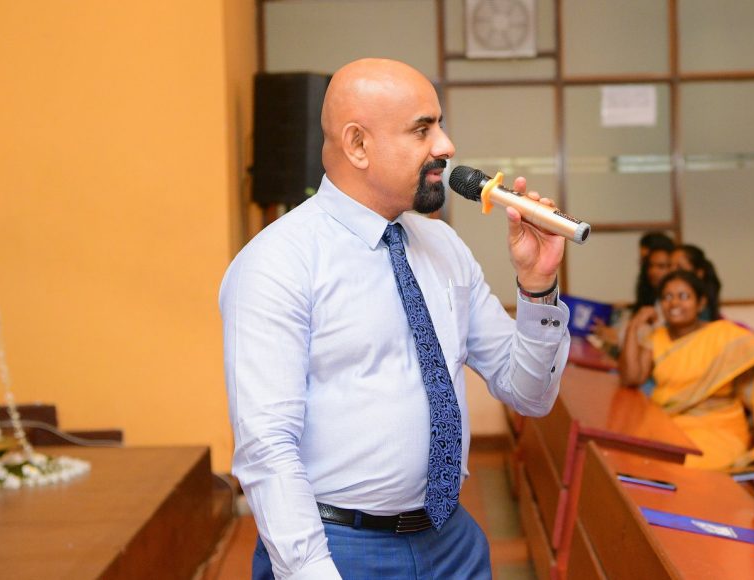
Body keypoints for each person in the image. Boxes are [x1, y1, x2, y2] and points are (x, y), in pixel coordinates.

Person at [221, 59, 572, 580]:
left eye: (439, 125)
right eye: (422, 129)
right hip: (337, 548)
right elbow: (266, 446)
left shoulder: (443, 245)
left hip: (451, 543)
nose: (446, 146)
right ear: (357, 145)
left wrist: (537, 286)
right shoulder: (278, 262)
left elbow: (530, 395)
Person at [620, 271, 754, 471]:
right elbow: (631, 377)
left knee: (674, 466)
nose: (674, 303)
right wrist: (634, 325)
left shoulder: (723, 333)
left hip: (718, 430)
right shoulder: (657, 337)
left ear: (701, 303)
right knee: (631, 457)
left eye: (684, 296)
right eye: (667, 297)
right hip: (669, 423)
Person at [671, 244, 722, 321]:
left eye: (679, 267)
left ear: (699, 272)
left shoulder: (703, 312)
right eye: (669, 266)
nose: (672, 271)